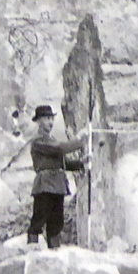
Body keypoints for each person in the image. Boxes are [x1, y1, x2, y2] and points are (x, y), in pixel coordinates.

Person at [27, 104, 87, 249]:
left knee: (56, 222)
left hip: (58, 185)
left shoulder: (50, 139)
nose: (50, 122)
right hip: (45, 185)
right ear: (39, 121)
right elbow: (59, 149)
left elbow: (61, 163)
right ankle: (32, 251)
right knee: (39, 220)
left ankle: (54, 252)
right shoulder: (38, 140)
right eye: (47, 118)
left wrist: (81, 164)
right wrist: (79, 140)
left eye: (51, 118)